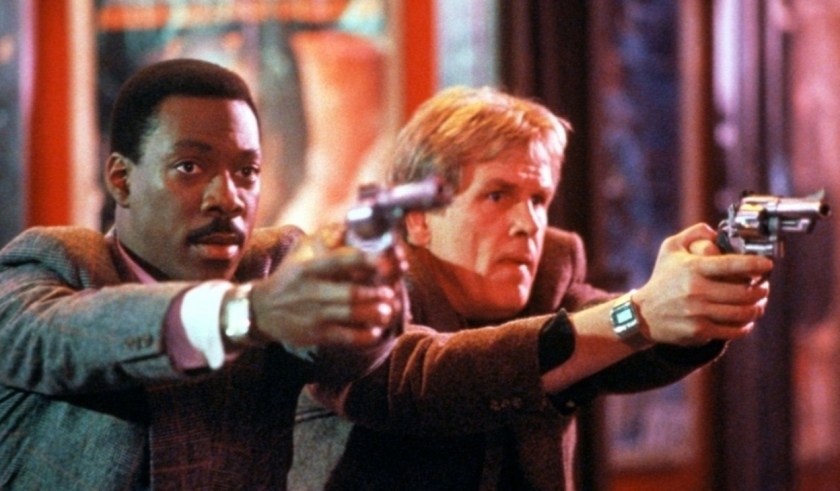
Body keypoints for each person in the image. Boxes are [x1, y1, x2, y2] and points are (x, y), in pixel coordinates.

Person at [291, 86, 774, 490]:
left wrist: (699, 302)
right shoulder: (348, 281)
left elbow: (622, 344)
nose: (528, 224)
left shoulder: (550, 273)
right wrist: (642, 313)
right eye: (497, 195)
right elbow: (419, 382)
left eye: (539, 200)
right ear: (418, 218)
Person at [0, 59, 404, 489]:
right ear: (121, 180)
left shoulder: (270, 265)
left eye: (246, 172)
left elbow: (346, 360)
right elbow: (55, 339)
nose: (228, 199)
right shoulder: (54, 262)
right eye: (189, 167)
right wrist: (245, 314)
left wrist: (370, 299)